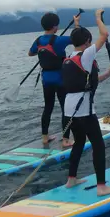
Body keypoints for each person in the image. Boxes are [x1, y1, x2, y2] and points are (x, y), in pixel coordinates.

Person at [61, 8, 110, 196]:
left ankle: (71, 180)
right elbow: (105, 34)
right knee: (98, 144)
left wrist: (107, 75)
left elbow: (87, 83)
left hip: (70, 108)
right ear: (87, 42)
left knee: (78, 142)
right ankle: (101, 186)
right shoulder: (86, 55)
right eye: (89, 40)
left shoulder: (70, 57)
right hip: (83, 109)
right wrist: (97, 18)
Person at [28, 11, 80, 147]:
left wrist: (41, 51)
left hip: (46, 80)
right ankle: (66, 140)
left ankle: (45, 137)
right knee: (65, 109)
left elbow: (30, 53)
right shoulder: (59, 40)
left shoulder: (38, 41)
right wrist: (76, 24)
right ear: (55, 26)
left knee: (48, 107)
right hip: (60, 80)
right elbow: (77, 38)